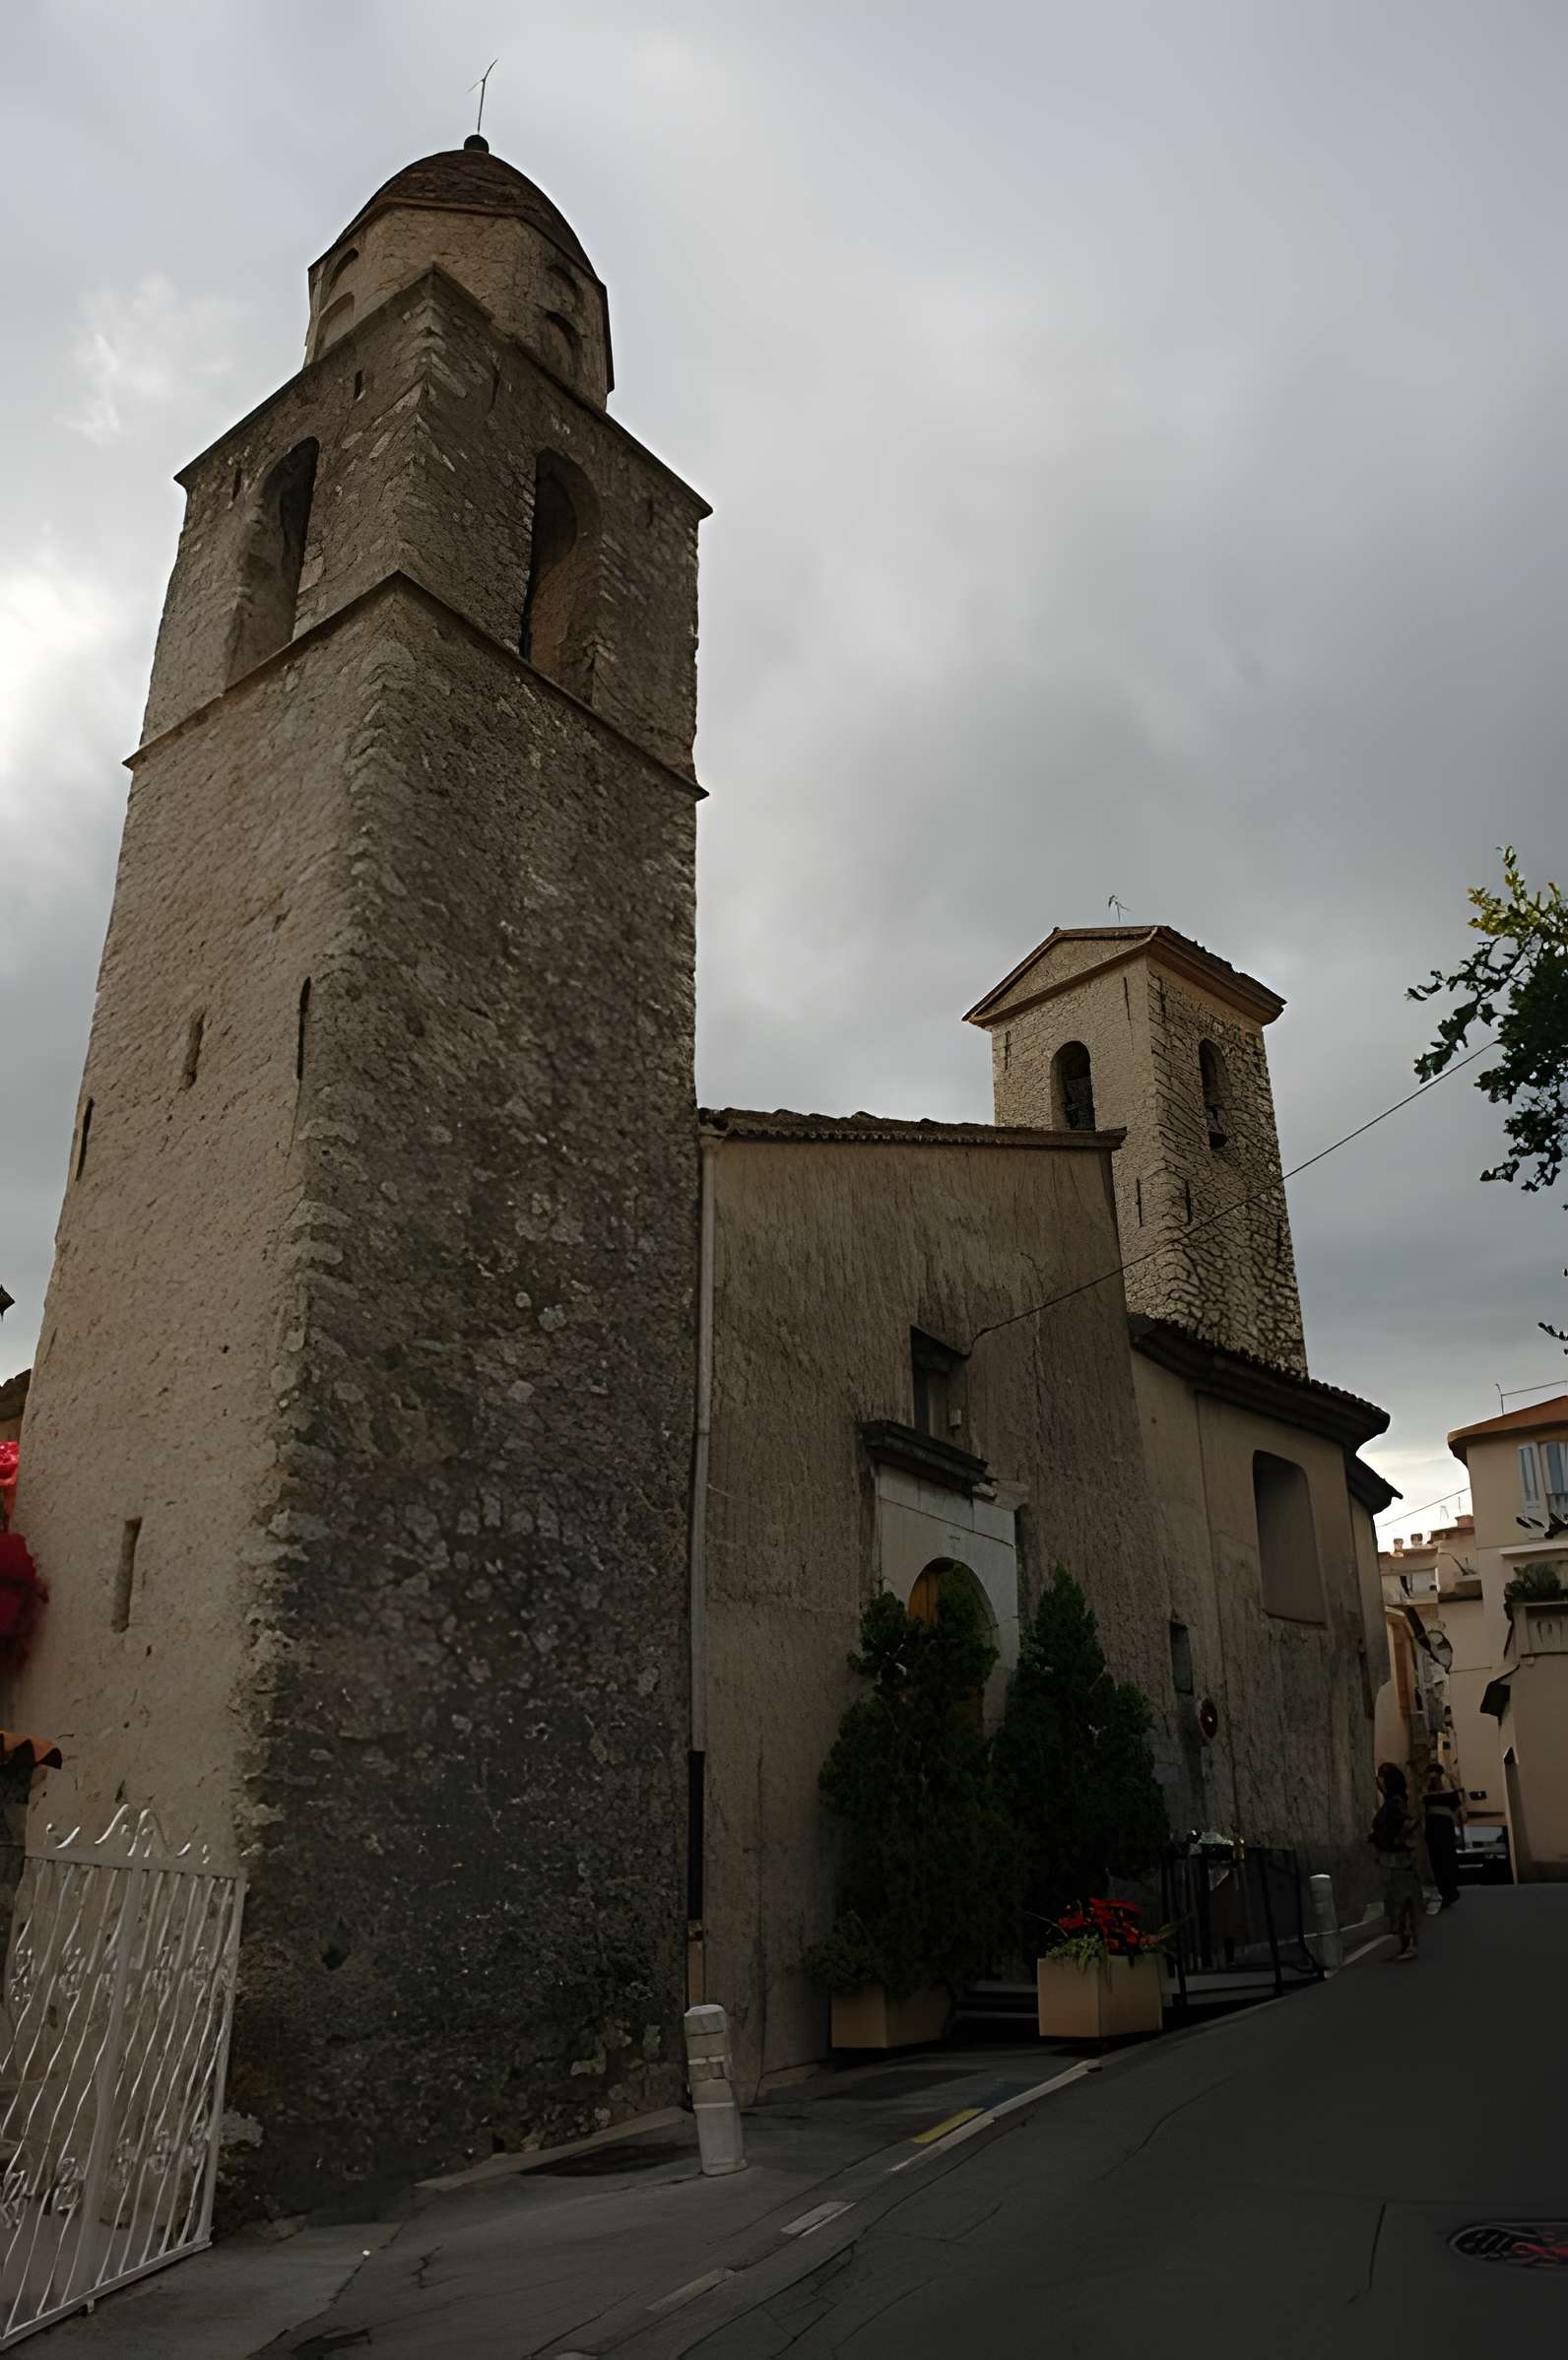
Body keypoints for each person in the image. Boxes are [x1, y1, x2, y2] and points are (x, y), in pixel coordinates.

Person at [1371, 1763, 1423, 1961]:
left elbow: (1408, 1824)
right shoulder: (1391, 1802)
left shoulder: (1395, 1803)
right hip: (1393, 1861)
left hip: (1399, 1861)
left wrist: (1395, 1840)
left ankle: (1410, 1945)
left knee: (1403, 1902)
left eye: (1382, 1777)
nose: (1378, 1781)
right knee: (1398, 1902)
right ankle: (1406, 1945)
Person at [1423, 1761, 1464, 1909]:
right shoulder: (1448, 1791)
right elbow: (1458, 1811)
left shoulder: (1426, 1792)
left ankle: (1446, 1891)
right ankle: (1449, 1890)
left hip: (1434, 1827)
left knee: (1438, 1861)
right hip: (1444, 1827)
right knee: (1446, 1859)